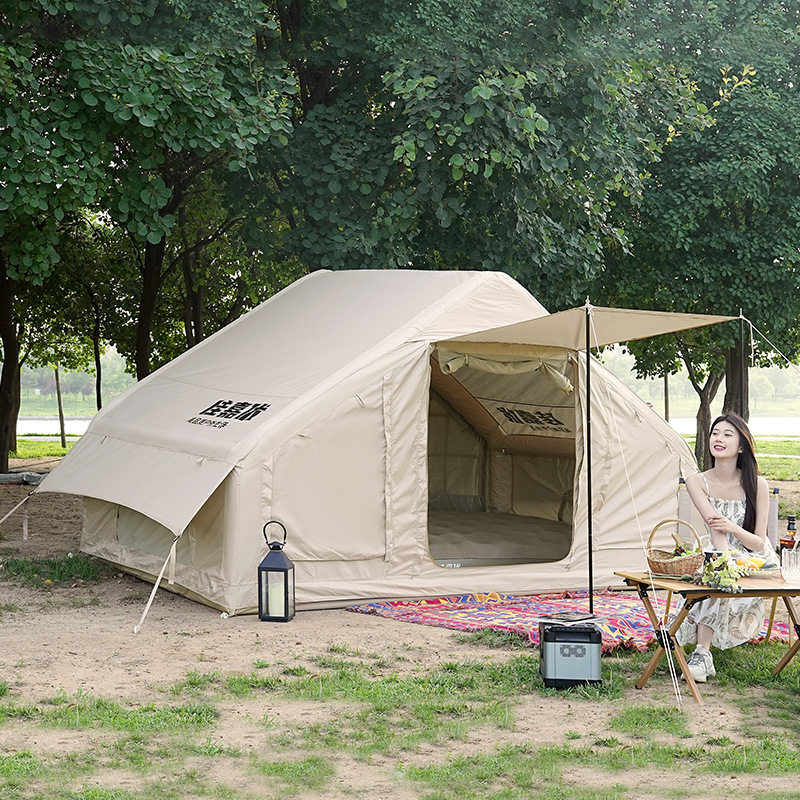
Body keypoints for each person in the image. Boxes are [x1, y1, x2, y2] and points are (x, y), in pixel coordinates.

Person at [677, 412, 778, 682]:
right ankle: (702, 653)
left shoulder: (757, 484)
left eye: (727, 435)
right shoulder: (697, 480)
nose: (718, 439)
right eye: (715, 434)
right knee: (714, 575)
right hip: (717, 549)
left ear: (741, 446)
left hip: (755, 559)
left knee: (718, 572)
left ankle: (701, 653)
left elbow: (759, 542)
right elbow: (714, 528)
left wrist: (733, 528)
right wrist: (725, 563)